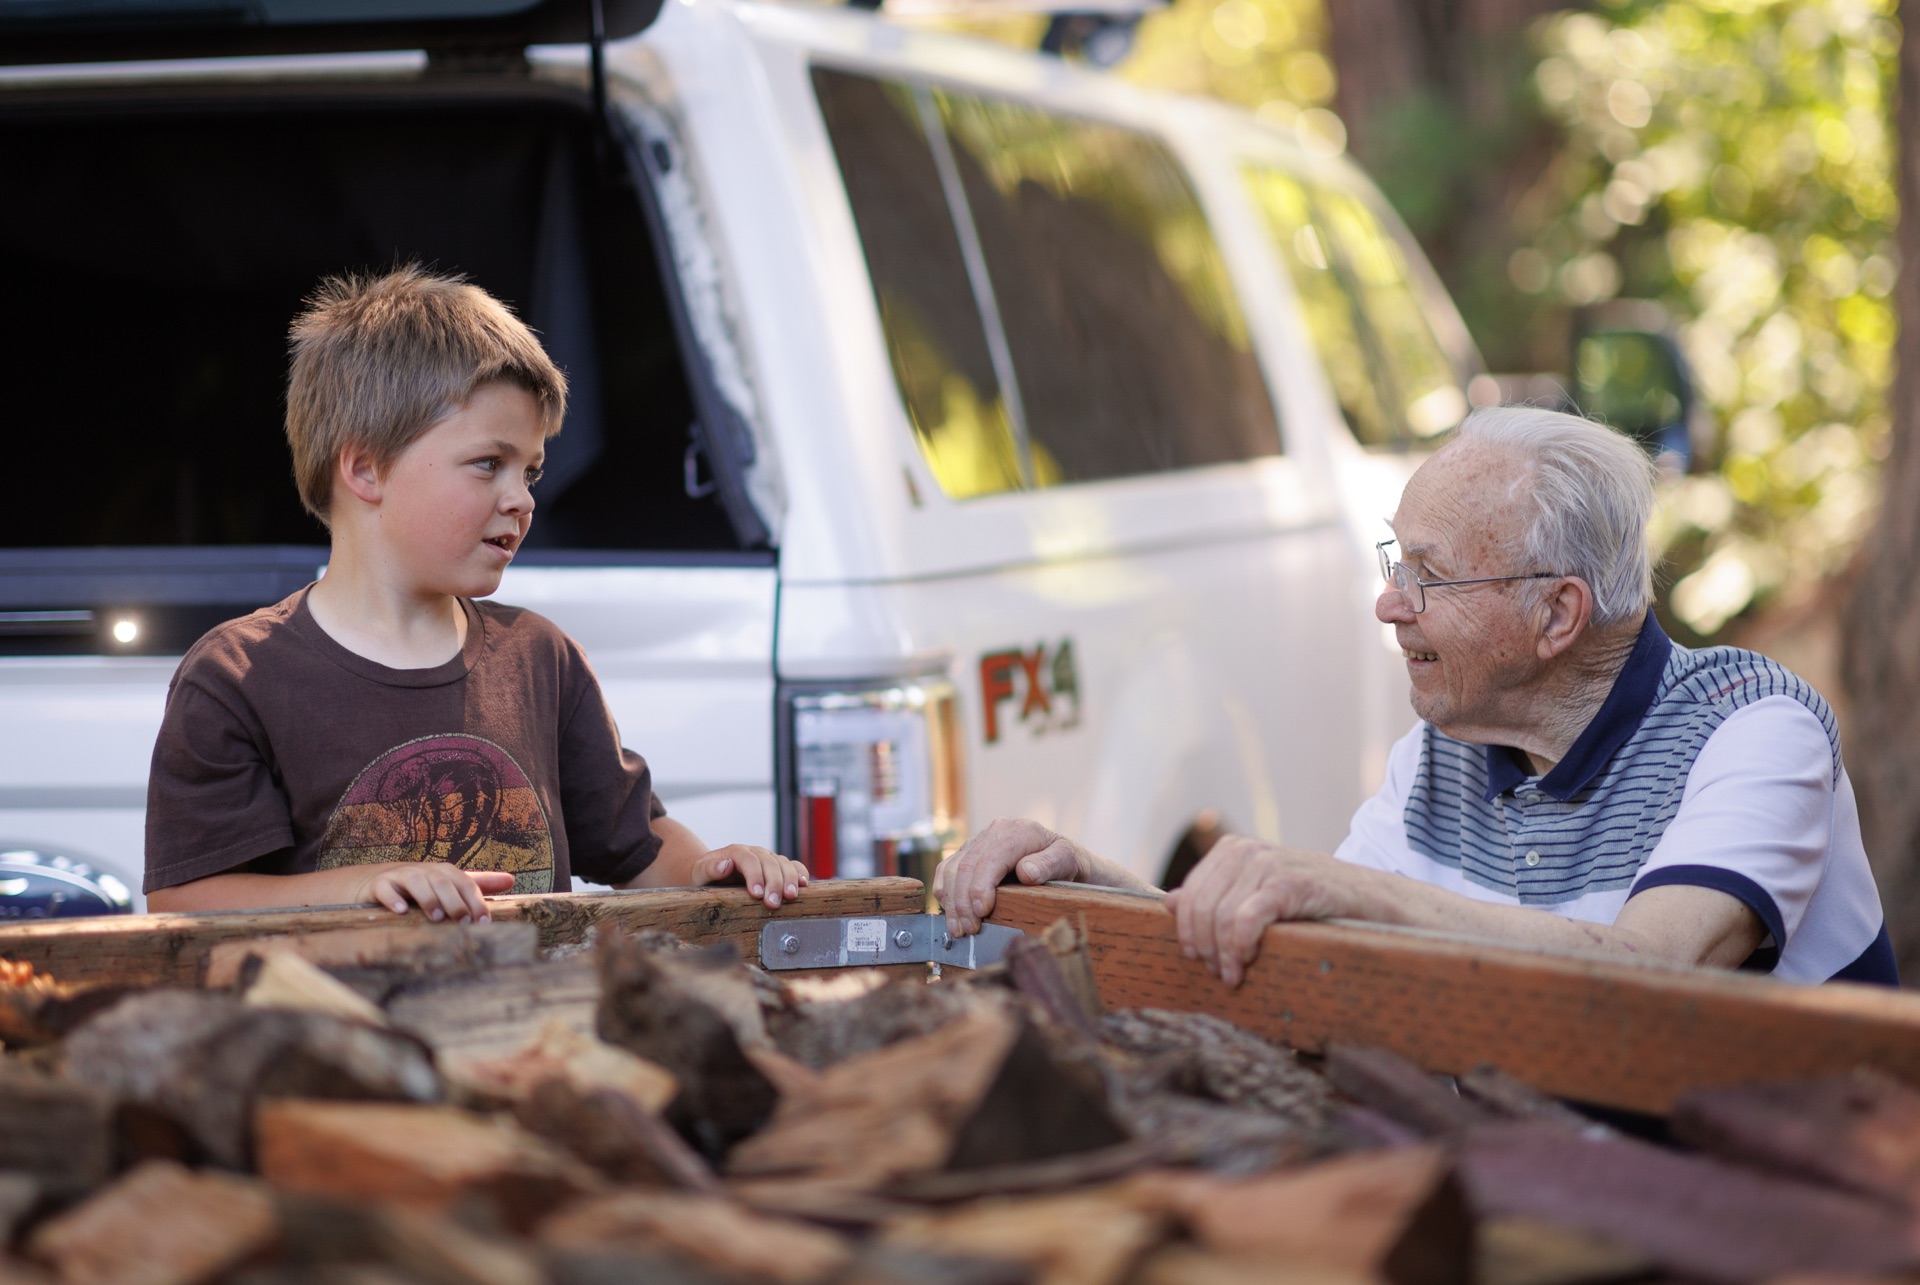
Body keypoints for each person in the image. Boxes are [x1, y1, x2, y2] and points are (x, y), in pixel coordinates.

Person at [936, 406, 1894, 986]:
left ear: (1557, 614)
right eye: (1396, 561)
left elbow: (1651, 970)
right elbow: (1301, 948)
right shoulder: (1444, 752)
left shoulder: (1754, 727)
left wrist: (1353, 888)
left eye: (1429, 575)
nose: (1390, 603)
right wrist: (1090, 883)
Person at [144, 267, 808, 921]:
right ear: (365, 468)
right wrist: (366, 885)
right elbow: (186, 901)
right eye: (488, 464)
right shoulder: (237, 676)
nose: (521, 500)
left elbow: (639, 845)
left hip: (530, 999)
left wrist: (706, 870)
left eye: (530, 472)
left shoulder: (541, 657)